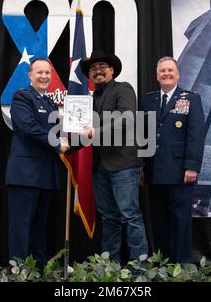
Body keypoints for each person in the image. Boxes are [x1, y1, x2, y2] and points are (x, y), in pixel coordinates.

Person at [79, 49, 148, 263]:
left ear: (112, 71)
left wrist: (95, 132)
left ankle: (141, 267)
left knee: (131, 216)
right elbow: (81, 127)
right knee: (109, 218)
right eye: (93, 69)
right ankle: (110, 266)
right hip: (99, 167)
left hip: (123, 165)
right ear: (90, 75)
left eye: (102, 67)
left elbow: (126, 119)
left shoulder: (123, 89)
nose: (97, 71)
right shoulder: (90, 99)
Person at [140, 56, 205, 263]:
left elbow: (196, 135)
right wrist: (142, 167)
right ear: (157, 75)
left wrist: (192, 166)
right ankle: (162, 264)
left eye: (170, 70)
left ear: (177, 74)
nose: (166, 74)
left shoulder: (191, 99)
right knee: (158, 221)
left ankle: (182, 265)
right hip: (153, 171)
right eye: (162, 71)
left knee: (180, 221)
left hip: (180, 171)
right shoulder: (147, 100)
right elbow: (143, 136)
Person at [5, 58, 69, 269]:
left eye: (47, 73)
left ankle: (40, 270)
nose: (44, 77)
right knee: (21, 227)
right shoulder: (22, 96)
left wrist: (83, 137)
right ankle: (19, 271)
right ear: (30, 75)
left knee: (40, 228)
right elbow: (28, 126)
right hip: (25, 174)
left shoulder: (50, 102)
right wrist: (57, 142)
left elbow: (59, 136)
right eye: (39, 72)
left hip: (46, 175)